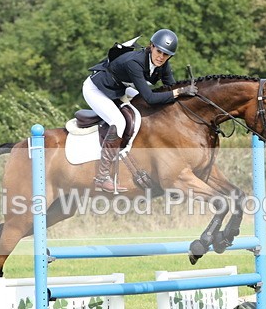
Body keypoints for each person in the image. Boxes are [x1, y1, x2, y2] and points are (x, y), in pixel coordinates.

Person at [82, 29, 198, 193]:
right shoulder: (134, 62)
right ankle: (102, 177)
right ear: (151, 46)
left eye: (166, 55)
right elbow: (152, 98)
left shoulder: (163, 64)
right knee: (119, 122)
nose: (161, 57)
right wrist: (180, 92)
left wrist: (191, 97)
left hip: (119, 87)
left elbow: (171, 88)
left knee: (144, 108)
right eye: (159, 51)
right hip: (97, 89)